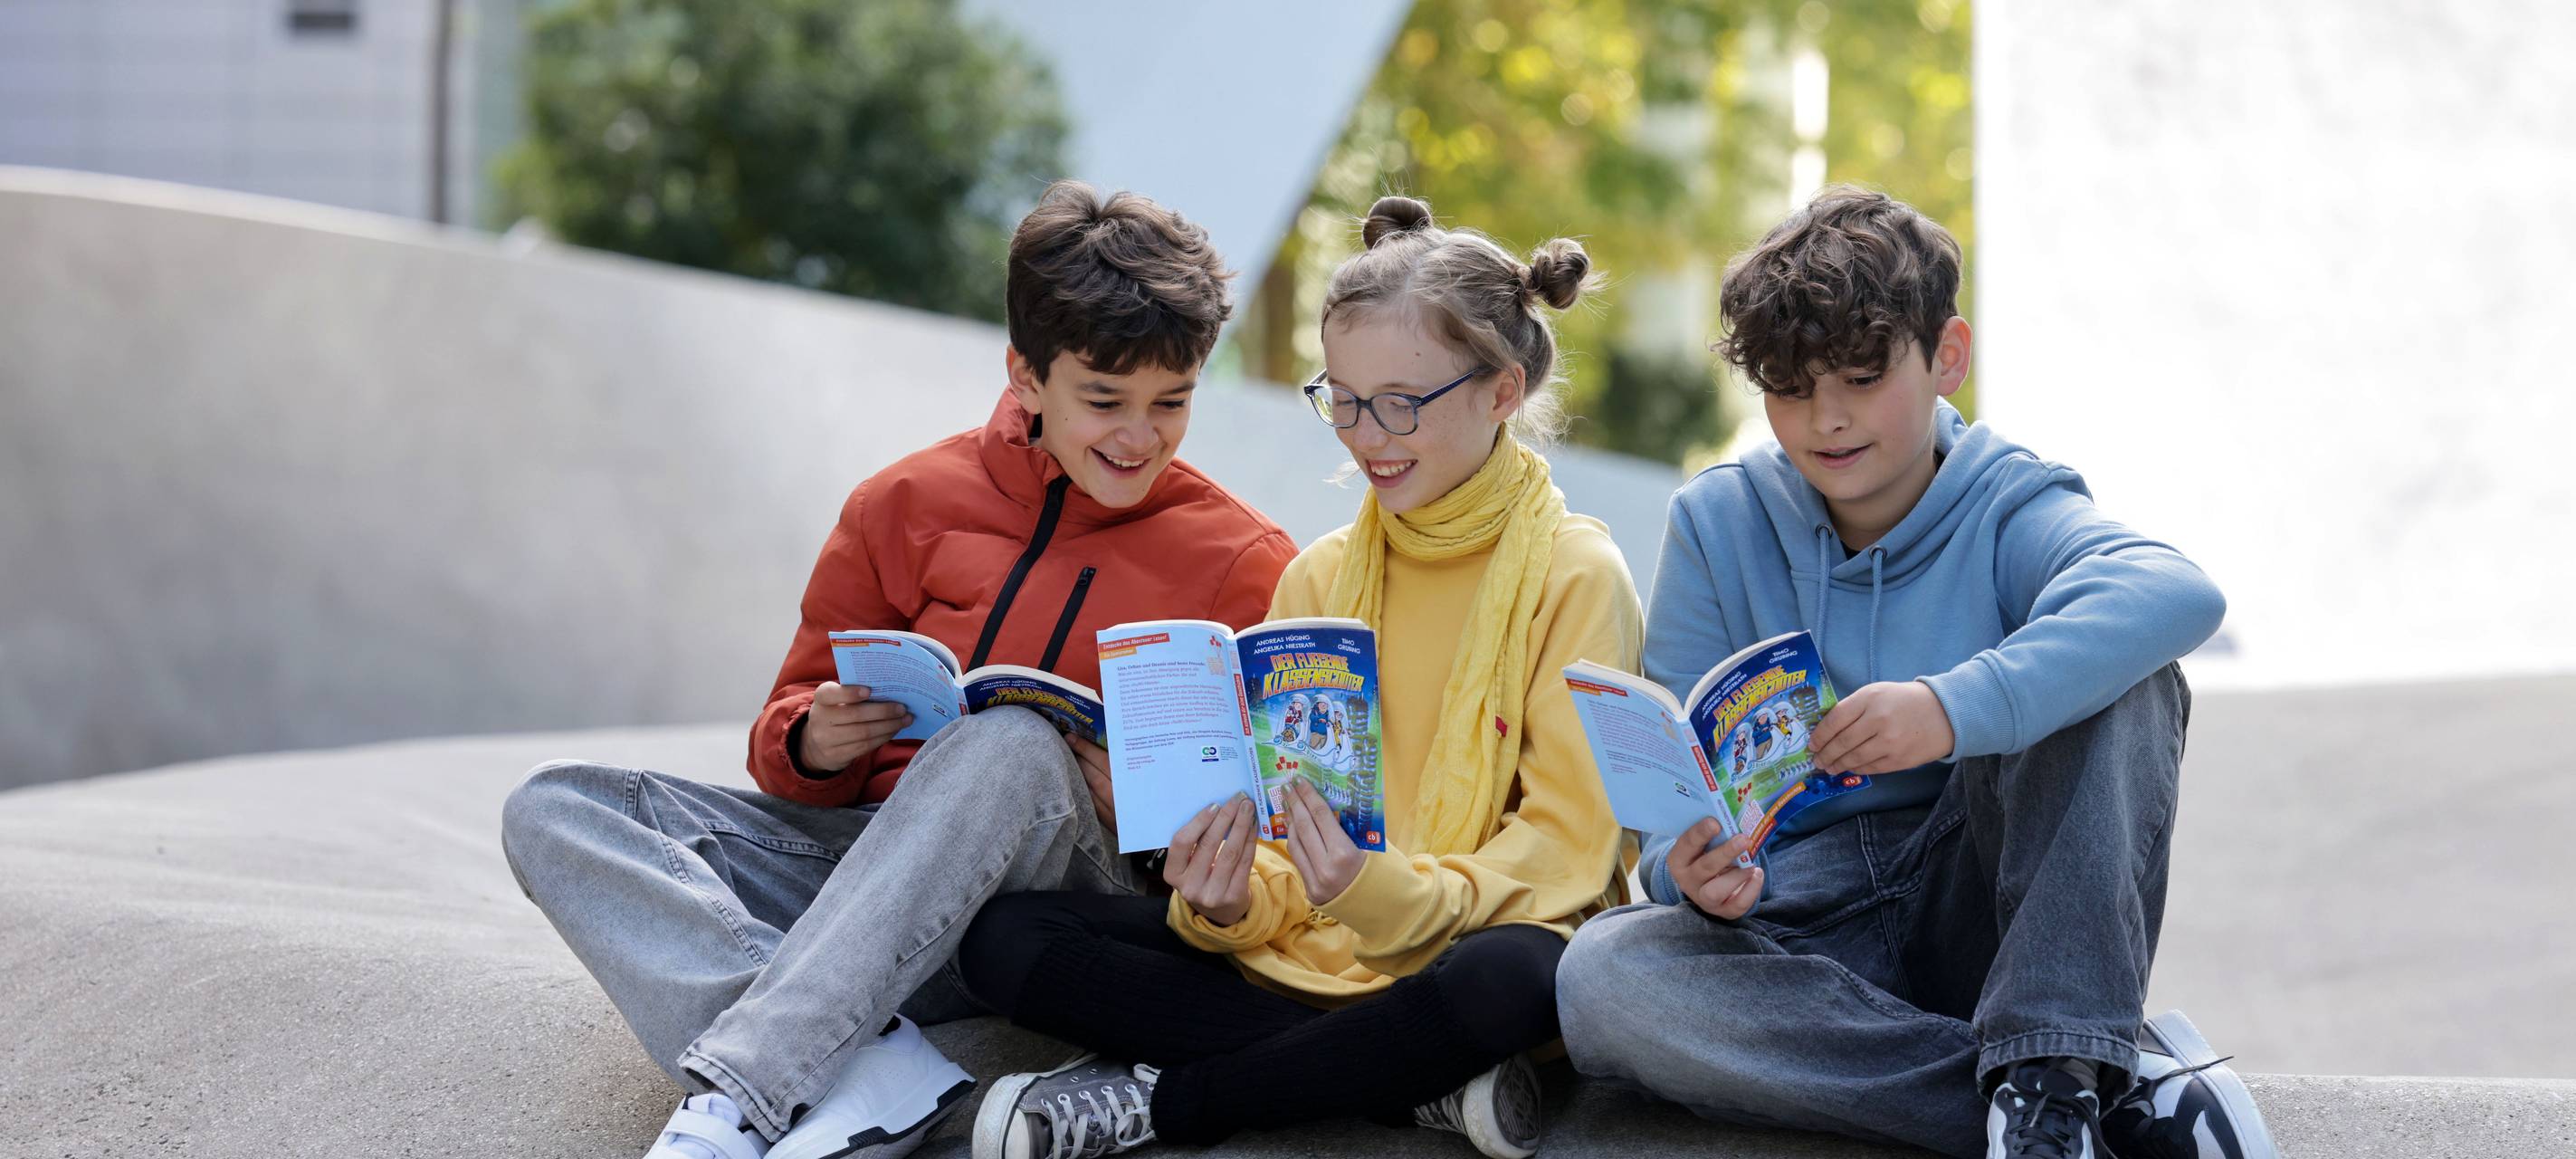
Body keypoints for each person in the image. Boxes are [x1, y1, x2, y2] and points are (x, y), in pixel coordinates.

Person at [499, 181, 1297, 1159]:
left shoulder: (1244, 558)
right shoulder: (905, 500)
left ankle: (748, 1092)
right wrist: (810, 736)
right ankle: (870, 1053)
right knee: (557, 806)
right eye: (1104, 400)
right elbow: (780, 732)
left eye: (1170, 402)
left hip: (1049, 909)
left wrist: (1137, 804)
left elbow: (1264, 820)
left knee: (1007, 741)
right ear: (1025, 374)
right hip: (860, 870)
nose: (1140, 436)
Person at [1554, 186, 2275, 1159]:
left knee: (2123, 673)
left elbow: (2174, 591)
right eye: (1790, 386)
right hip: (1792, 932)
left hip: (1977, 910)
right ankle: (2068, 1098)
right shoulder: (1715, 519)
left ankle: (2049, 1061)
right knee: (1602, 976)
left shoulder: (2006, 500)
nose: (1825, 419)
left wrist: (1950, 707)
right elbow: (1665, 800)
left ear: (1947, 355)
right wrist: (1683, 868)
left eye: (1858, 376)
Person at [951, 196, 1642, 1159]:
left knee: (1515, 978)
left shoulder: (1577, 574)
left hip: (1461, 945)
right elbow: (1277, 823)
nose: (1366, 436)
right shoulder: (1316, 574)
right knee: (1005, 938)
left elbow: (1563, 855)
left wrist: (1380, 889)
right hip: (1302, 945)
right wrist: (1229, 895)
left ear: (1499, 391)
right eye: (1343, 400)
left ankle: (1174, 1099)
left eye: (1400, 402)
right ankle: (1408, 1085)